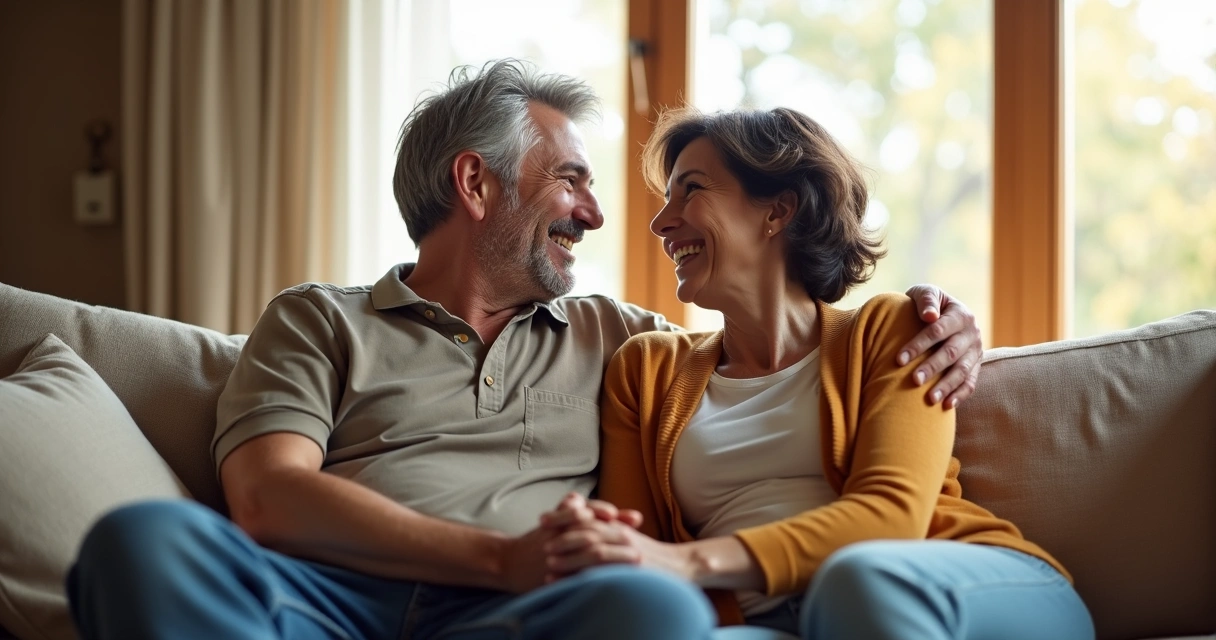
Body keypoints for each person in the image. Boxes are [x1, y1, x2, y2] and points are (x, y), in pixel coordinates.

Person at [67, 61, 986, 640]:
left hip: (523, 618)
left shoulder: (624, 342)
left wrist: (950, 325)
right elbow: (268, 496)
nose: (598, 213)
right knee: (140, 540)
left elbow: (764, 349)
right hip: (323, 601)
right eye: (573, 181)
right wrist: (496, 556)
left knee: (655, 607)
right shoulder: (318, 320)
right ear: (475, 183)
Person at [538, 106, 1095, 640]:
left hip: (965, 590)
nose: (661, 223)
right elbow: (637, 553)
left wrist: (689, 562)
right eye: (667, 198)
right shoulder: (646, 369)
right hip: (778, 621)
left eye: (692, 189)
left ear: (778, 211)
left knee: (859, 579)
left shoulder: (890, 328)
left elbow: (891, 519)